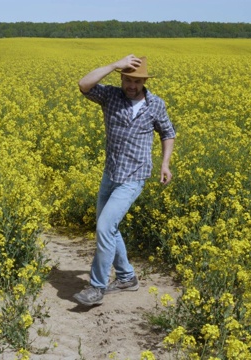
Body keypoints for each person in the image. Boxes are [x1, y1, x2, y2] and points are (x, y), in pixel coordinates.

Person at [73, 54, 176, 306]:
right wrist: (112, 65)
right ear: (122, 77)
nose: (132, 86)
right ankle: (127, 277)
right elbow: (83, 85)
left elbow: (167, 133)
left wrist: (165, 164)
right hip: (111, 174)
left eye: (137, 82)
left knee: (104, 227)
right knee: (108, 226)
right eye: (128, 80)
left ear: (144, 82)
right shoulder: (110, 96)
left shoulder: (156, 105)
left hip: (133, 177)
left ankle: (96, 287)